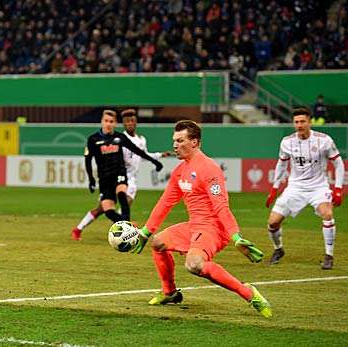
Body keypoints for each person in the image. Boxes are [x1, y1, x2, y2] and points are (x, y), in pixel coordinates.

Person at [129, 120, 271, 317]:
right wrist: (145, 232)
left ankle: (249, 293)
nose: (175, 145)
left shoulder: (209, 169)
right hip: (194, 226)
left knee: (194, 264)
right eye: (174, 141)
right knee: (158, 243)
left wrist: (236, 237)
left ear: (194, 142)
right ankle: (169, 292)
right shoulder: (180, 171)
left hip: (213, 228)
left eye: (180, 140)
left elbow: (221, 206)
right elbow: (165, 202)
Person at [71, 108, 171, 240]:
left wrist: (155, 161)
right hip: (105, 179)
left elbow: (138, 152)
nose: (108, 123)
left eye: (111, 121)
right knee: (106, 211)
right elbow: (88, 160)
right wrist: (91, 179)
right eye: (106, 121)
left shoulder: (120, 137)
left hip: (120, 174)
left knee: (123, 195)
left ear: (115, 123)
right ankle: (81, 229)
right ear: (101, 121)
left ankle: (126, 231)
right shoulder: (93, 139)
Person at [265, 107, 344, 269]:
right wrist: (274, 188)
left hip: (318, 187)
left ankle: (329, 256)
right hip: (295, 188)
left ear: (309, 122)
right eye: (296, 122)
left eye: (302, 121)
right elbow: (281, 164)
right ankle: (278, 249)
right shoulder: (287, 142)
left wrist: (337, 188)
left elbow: (338, 163)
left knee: (327, 214)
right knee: (273, 222)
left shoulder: (324, 140)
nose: (299, 125)